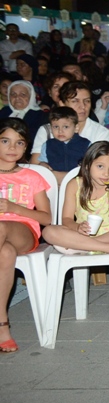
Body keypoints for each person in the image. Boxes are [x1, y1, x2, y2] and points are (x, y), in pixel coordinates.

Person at [0, 118, 53, 353]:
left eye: (19, 143)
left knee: (1, 228)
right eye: (5, 141)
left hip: (24, 231)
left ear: (26, 147)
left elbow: (47, 218)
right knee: (5, 253)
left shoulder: (32, 177)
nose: (12, 147)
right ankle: (2, 326)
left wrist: (14, 208)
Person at [42, 141, 109, 255]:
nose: (106, 173)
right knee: (48, 231)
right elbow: (66, 219)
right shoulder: (75, 185)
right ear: (87, 165)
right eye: (100, 166)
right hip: (85, 235)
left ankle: (86, 245)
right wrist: (77, 227)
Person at [31, 82, 109, 164]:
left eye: (87, 101)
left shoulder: (101, 132)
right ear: (62, 104)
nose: (83, 106)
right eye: (75, 101)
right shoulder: (47, 130)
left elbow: (99, 166)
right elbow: (35, 165)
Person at [38, 107, 88, 183]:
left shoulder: (86, 144)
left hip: (77, 183)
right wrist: (43, 165)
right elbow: (43, 162)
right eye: (56, 127)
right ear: (51, 128)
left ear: (76, 128)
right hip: (54, 183)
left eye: (65, 127)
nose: (60, 131)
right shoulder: (48, 145)